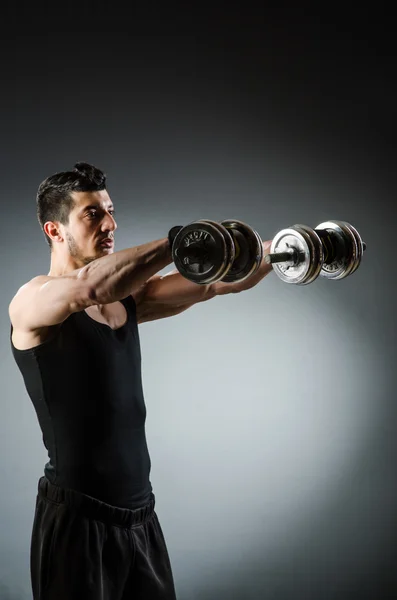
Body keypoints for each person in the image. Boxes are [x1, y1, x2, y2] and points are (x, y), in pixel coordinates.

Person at [9, 162, 273, 600]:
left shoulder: (128, 299)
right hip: (77, 521)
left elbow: (215, 282)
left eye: (109, 210)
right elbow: (88, 289)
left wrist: (283, 249)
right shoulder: (35, 301)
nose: (110, 224)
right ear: (54, 231)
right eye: (92, 214)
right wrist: (179, 242)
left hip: (140, 517)